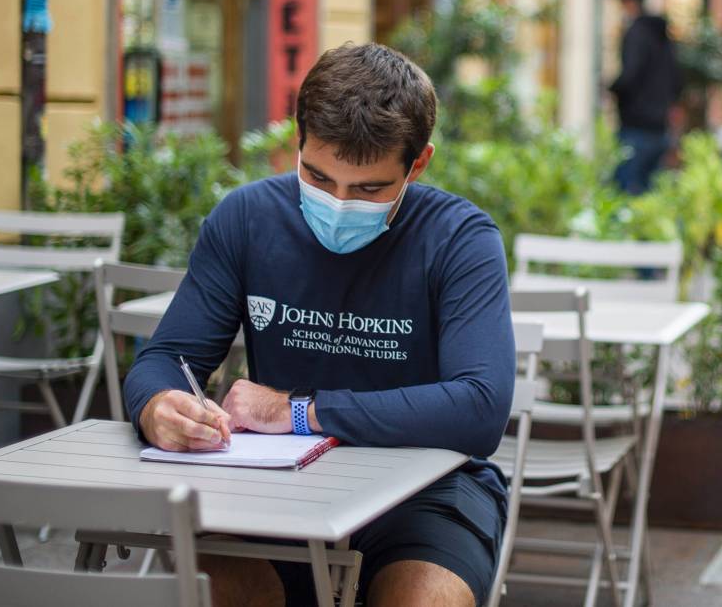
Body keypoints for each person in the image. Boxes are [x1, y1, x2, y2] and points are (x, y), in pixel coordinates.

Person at [123, 44, 515, 607]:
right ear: (297, 142)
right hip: (276, 489)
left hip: (429, 491)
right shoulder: (246, 219)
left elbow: (480, 409)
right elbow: (163, 361)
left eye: (369, 189)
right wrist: (157, 406)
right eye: (318, 177)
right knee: (215, 586)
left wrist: (299, 411)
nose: (338, 203)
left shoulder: (459, 239)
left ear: (418, 163)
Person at [610, 0, 680, 194]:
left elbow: (630, 74)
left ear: (627, 1)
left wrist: (613, 88)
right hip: (660, 128)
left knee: (625, 194)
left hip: (635, 126)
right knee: (651, 197)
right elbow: (677, 79)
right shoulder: (663, 35)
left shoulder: (636, 33)